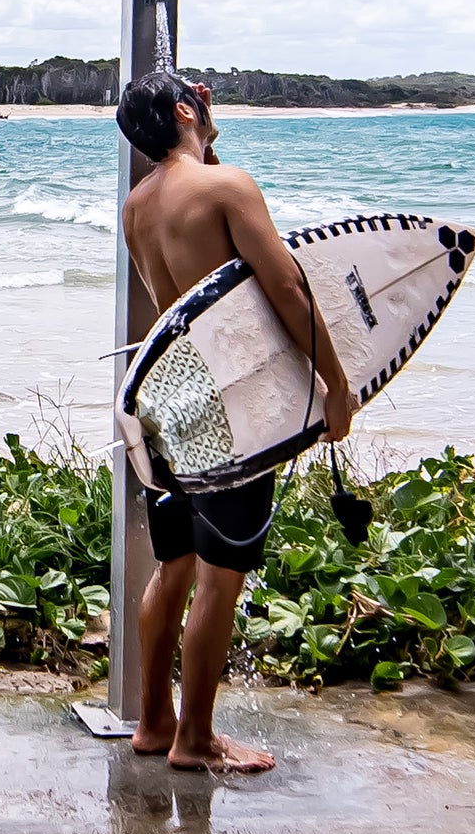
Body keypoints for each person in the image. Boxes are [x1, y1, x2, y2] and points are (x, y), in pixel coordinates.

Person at [116, 70, 353, 774]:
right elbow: (283, 285)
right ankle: (197, 740)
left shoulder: (137, 204)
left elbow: (198, 281)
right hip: (230, 405)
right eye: (199, 104)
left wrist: (199, 133)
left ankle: (155, 723)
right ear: (188, 109)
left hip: (169, 397)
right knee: (220, 578)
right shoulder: (228, 187)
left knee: (174, 566)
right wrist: (333, 385)